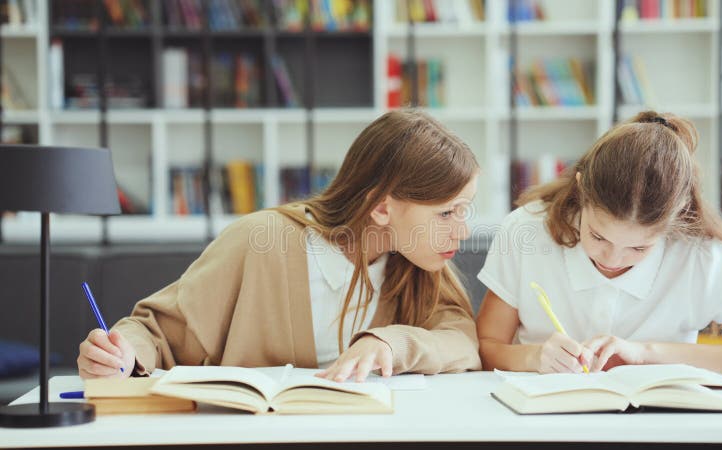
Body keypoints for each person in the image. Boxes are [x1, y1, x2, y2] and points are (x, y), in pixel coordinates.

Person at [78, 109, 482, 382]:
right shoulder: (259, 243)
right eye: (447, 213)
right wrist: (121, 354)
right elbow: (157, 332)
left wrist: (391, 342)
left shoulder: (418, 263)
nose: (461, 231)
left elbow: (463, 342)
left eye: (465, 210)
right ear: (381, 208)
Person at [476, 111, 722, 389]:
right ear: (580, 190)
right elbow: (485, 348)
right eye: (598, 237)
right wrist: (535, 356)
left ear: (676, 220)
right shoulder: (527, 230)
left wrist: (648, 354)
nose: (612, 259)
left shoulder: (699, 255)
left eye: (639, 247)